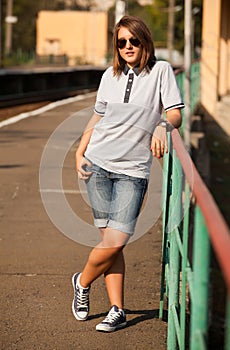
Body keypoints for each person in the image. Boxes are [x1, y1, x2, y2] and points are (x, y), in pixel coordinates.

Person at [72, 15, 184, 332]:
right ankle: (117, 309)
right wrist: (80, 152)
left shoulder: (161, 72)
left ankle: (81, 282)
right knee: (112, 242)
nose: (127, 47)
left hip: (132, 170)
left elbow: (174, 113)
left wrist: (162, 126)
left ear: (144, 41)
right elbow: (97, 119)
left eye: (133, 41)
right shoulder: (110, 75)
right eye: (121, 43)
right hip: (98, 165)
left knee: (116, 240)